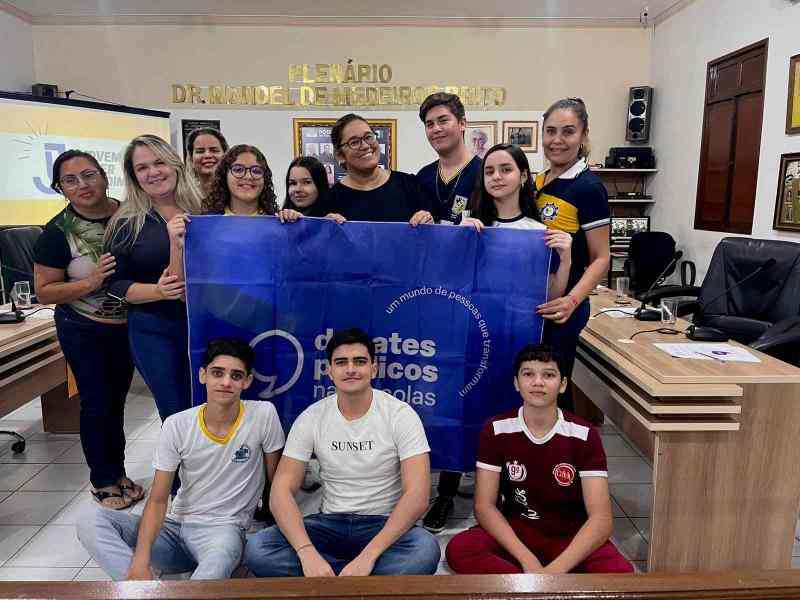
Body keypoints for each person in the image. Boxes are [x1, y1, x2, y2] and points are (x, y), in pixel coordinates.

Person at [421, 144, 573, 532]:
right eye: (489, 171)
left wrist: (567, 257)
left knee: (507, 413)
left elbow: (551, 298)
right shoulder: (471, 225)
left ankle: (506, 490)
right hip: (470, 337)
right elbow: (446, 280)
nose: (497, 177)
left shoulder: (538, 234)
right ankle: (447, 491)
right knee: (460, 410)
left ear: (523, 176)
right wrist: (461, 239)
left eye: (506, 169)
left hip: (514, 340)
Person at [77, 338, 285, 581]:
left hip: (223, 532)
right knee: (90, 521)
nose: (226, 382)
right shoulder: (178, 424)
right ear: (202, 375)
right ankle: (141, 589)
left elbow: (277, 482)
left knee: (217, 561)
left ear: (247, 381)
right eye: (218, 373)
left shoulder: (263, 415)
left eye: (236, 376)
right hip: (175, 528)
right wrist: (141, 560)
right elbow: (157, 500)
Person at [244, 327, 440, 577]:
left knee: (425, 550)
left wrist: (369, 556)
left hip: (382, 524)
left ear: (374, 368)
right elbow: (280, 491)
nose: (350, 369)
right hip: (329, 524)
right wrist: (307, 553)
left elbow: (418, 495)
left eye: (359, 361)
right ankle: (354, 581)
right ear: (329, 370)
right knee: (259, 548)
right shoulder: (311, 417)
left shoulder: (400, 415)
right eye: (341, 362)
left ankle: (334, 580)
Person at [445, 344, 633, 574]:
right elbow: (484, 506)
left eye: (549, 375)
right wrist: (528, 561)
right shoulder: (495, 429)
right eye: (528, 374)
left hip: (570, 535)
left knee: (618, 573)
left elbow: (601, 519)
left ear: (563, 384)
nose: (538, 382)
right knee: (460, 549)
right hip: (517, 532)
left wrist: (555, 571)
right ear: (516, 382)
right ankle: (529, 586)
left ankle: (535, 584)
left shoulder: (584, 434)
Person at [33, 150, 140, 510]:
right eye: (70, 180)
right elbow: (44, 291)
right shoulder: (57, 232)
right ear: (60, 187)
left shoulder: (130, 215)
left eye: (89, 175)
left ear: (104, 176)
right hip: (84, 329)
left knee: (117, 402)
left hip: (126, 327)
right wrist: (90, 282)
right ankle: (104, 480)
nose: (82, 185)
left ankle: (119, 472)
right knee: (96, 403)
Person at [105, 134, 203, 429]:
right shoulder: (125, 222)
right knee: (175, 414)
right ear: (134, 176)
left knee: (208, 409)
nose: (153, 172)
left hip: (205, 326)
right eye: (142, 168)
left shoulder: (204, 210)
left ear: (175, 165)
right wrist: (158, 291)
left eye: (159, 162)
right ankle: (173, 477)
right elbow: (114, 285)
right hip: (155, 331)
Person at [534, 98, 611, 412]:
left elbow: (602, 257)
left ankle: (563, 458)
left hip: (564, 307)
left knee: (555, 387)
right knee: (533, 385)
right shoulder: (539, 182)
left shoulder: (589, 188)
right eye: (550, 131)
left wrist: (572, 301)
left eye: (568, 131)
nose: (557, 140)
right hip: (539, 301)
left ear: (584, 135)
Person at [324, 114, 435, 225]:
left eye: (368, 137)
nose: (365, 146)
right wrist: (324, 228)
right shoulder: (330, 201)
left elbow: (435, 235)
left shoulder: (410, 185)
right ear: (340, 155)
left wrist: (429, 222)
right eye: (354, 142)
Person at [416, 93, 482, 224]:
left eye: (443, 121)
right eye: (429, 124)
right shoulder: (423, 176)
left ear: (462, 123)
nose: (436, 129)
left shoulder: (484, 172)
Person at [185, 128, 228, 197]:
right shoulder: (183, 198)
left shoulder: (236, 193)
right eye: (200, 151)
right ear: (191, 159)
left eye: (214, 150)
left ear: (226, 155)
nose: (207, 155)